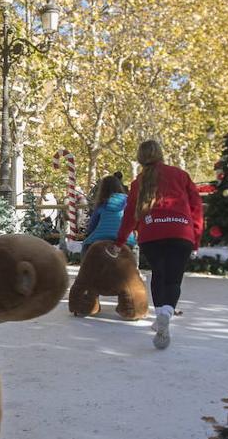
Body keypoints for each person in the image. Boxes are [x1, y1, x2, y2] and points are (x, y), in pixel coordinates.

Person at [111, 140, 203, 350]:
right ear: (161, 154)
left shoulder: (138, 182)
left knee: (158, 275)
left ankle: (160, 315)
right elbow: (196, 207)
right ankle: (166, 314)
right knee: (174, 280)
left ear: (140, 158)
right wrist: (196, 238)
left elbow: (130, 215)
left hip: (151, 234)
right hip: (181, 232)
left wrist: (120, 241)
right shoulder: (180, 175)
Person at [82, 172, 135, 248]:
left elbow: (92, 225)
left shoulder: (101, 203)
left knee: (85, 246)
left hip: (101, 237)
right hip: (126, 239)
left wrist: (88, 232)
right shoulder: (128, 201)